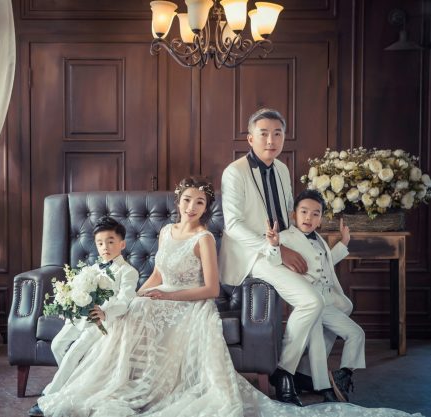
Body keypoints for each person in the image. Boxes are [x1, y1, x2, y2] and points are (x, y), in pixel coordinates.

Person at [35, 176, 421, 417]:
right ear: (178, 202)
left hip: (192, 304)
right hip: (162, 294)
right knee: (127, 317)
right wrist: (141, 295)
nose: (191, 207)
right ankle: (109, 386)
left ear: (206, 209)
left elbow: (211, 289)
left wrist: (168, 299)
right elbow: (158, 274)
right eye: (187, 200)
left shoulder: (205, 238)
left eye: (199, 202)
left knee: (155, 320)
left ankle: (156, 389)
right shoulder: (166, 232)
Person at [219, 108, 324, 406]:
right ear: (250, 138)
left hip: (282, 246)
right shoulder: (234, 172)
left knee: (321, 294)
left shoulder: (282, 169)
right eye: (263, 133)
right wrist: (277, 250)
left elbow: (288, 216)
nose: (271, 140)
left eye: (277, 133)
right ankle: (284, 371)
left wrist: (301, 241)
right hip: (251, 255)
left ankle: (313, 373)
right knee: (312, 301)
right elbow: (233, 225)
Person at [28, 216, 139, 417]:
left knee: (75, 351)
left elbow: (125, 300)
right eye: (100, 243)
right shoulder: (91, 269)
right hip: (80, 318)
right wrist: (69, 305)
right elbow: (78, 291)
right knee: (57, 345)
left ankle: (49, 396)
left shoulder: (128, 271)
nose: (105, 247)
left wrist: (106, 313)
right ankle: (74, 383)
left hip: (103, 321)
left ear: (122, 244)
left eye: (110, 241)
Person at [265, 189, 366, 403]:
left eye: (315, 214)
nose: (308, 218)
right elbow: (272, 262)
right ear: (294, 214)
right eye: (304, 212)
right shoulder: (285, 238)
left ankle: (341, 376)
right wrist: (274, 246)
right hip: (310, 302)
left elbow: (324, 263)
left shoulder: (319, 239)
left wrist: (344, 243)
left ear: (320, 220)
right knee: (318, 344)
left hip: (328, 303)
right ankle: (324, 388)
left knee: (356, 334)